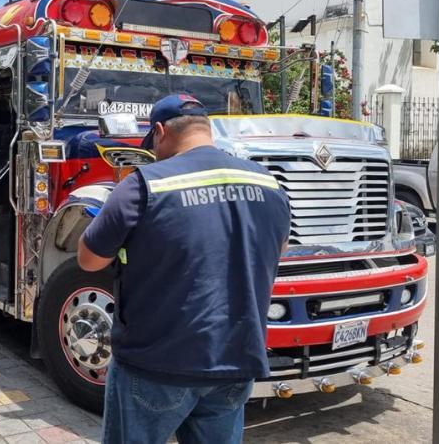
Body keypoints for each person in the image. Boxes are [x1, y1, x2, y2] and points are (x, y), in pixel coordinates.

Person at [78, 93, 291, 444]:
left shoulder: (144, 184)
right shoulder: (268, 183)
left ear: (160, 131)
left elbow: (89, 260)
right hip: (236, 362)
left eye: (154, 143)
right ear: (207, 130)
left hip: (156, 363)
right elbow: (277, 247)